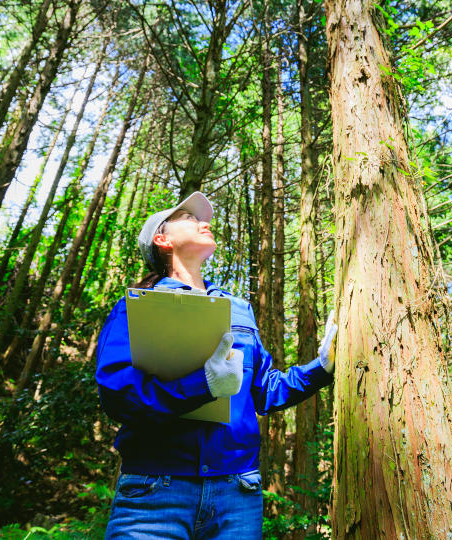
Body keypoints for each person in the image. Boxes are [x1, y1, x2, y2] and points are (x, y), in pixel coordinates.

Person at [96, 191, 338, 539]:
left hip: (237, 493)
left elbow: (265, 391)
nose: (204, 222)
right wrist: (203, 384)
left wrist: (322, 367)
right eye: (191, 219)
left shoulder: (238, 308)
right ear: (163, 240)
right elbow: (117, 393)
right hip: (154, 491)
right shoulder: (134, 308)